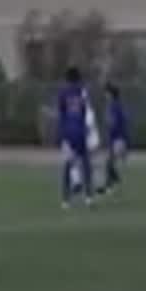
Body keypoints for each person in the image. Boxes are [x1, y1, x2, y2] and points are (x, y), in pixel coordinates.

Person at [54, 67, 95, 208]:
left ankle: (66, 200)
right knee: (86, 164)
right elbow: (86, 111)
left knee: (67, 165)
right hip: (80, 132)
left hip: (67, 133)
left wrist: (61, 134)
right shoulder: (83, 91)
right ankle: (89, 196)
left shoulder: (62, 93)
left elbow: (61, 114)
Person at [101, 84, 132, 195]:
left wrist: (109, 126)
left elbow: (113, 123)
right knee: (109, 163)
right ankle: (110, 185)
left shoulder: (114, 106)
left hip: (118, 139)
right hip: (119, 139)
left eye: (106, 93)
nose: (105, 95)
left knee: (109, 163)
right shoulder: (117, 105)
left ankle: (112, 185)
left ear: (110, 94)